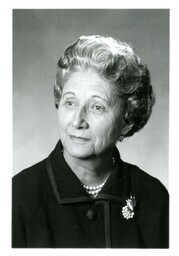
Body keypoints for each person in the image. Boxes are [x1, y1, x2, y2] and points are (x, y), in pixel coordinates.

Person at [12, 35, 169, 248]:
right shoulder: (17, 195)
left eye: (97, 107)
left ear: (127, 120)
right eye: (70, 102)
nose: (77, 121)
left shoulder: (154, 195)